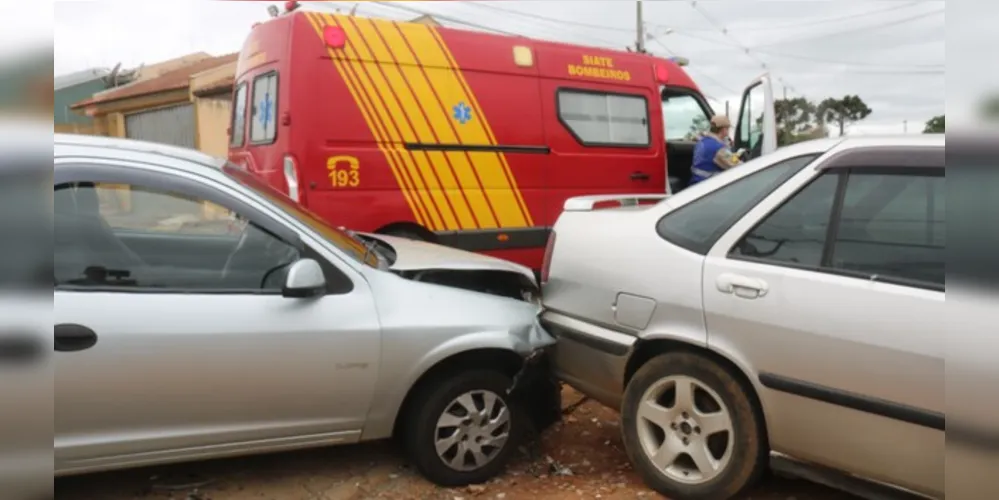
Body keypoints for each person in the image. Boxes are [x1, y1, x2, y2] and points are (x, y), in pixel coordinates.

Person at [689, 115, 742, 186]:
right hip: (709, 188)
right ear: (724, 130)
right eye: (728, 128)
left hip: (695, 183)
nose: (728, 131)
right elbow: (738, 166)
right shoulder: (719, 148)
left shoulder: (702, 141)